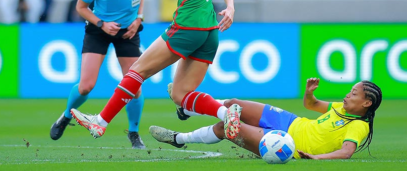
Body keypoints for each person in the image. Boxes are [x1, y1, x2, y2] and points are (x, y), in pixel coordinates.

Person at [70, 0, 240, 141]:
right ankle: (225, 113)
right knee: (181, 94)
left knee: (137, 70)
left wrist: (230, 6)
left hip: (188, 27)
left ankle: (100, 122)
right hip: (208, 33)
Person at [50, 0, 148, 149]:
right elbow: (81, 7)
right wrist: (102, 24)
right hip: (99, 29)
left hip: (127, 31)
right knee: (86, 86)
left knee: (135, 87)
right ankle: (66, 116)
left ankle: (134, 132)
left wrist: (138, 18)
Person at [150, 78, 382, 160]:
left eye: (354, 94)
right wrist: (309, 94)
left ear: (366, 103)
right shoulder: (339, 107)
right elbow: (311, 106)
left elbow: (346, 152)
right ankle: (186, 109)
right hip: (291, 121)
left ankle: (178, 138)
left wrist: (317, 158)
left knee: (227, 127)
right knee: (233, 104)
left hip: (284, 142)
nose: (347, 94)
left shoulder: (359, 126)